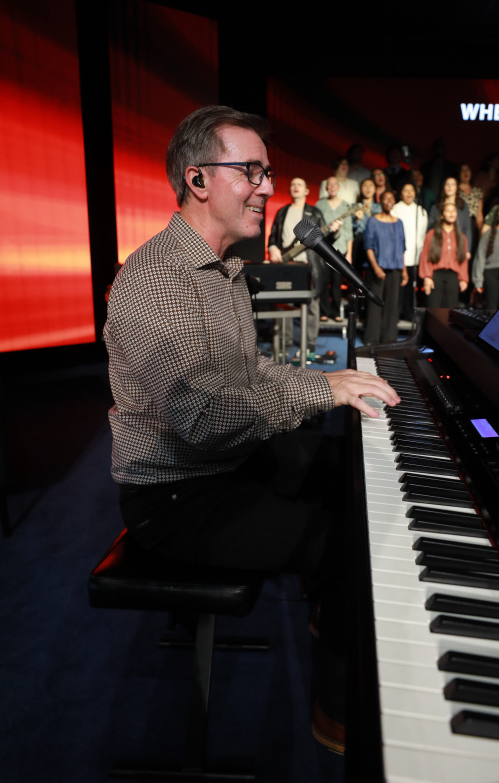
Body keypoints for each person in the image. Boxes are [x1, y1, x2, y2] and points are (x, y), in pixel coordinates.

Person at [103, 106, 400, 755]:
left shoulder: (226, 270)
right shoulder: (157, 281)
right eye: (251, 172)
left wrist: (326, 377)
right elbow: (203, 418)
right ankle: (339, 713)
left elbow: (250, 371)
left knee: (349, 475)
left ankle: (331, 614)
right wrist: (320, 390)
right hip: (175, 495)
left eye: (267, 172)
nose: (267, 187)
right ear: (198, 179)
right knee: (347, 543)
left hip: (225, 464)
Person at [268, 177, 338, 356]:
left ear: (307, 191)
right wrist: (273, 247)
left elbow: (324, 242)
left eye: (300, 184)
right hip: (286, 265)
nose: (295, 187)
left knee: (312, 305)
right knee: (284, 304)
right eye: (293, 184)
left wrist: (335, 233)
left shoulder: (314, 213)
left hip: (309, 265)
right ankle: (283, 346)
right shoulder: (282, 212)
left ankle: (309, 347)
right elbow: (273, 236)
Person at [363, 190, 409, 344]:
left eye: (391, 198)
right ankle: (372, 338)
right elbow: (368, 246)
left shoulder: (399, 223)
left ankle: (389, 338)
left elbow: (402, 248)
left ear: (394, 201)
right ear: (380, 201)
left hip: (395, 268)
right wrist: (376, 267)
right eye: (385, 198)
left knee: (392, 305)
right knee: (374, 304)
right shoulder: (372, 221)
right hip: (377, 268)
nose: (389, 201)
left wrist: (404, 271)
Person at [316, 176, 354, 321]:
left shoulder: (345, 205)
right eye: (329, 185)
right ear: (326, 188)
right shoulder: (320, 204)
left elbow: (349, 231)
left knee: (337, 283)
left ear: (338, 187)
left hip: (340, 249)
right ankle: (324, 312)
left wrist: (349, 253)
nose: (332, 187)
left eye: (334, 185)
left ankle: (336, 312)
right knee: (324, 282)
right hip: (324, 249)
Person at [419, 203, 469, 307]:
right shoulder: (432, 234)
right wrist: (427, 277)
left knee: (450, 310)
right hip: (436, 275)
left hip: (452, 277)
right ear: (442, 215)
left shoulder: (461, 237)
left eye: (453, 211)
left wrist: (463, 279)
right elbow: (425, 256)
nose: (451, 213)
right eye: (448, 211)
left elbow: (463, 260)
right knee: (434, 309)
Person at [391, 181, 428, 322]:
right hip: (398, 255)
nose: (409, 193)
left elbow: (423, 234)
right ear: (401, 193)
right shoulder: (395, 209)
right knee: (399, 287)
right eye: (405, 190)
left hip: (415, 256)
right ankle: (396, 314)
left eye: (411, 190)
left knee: (411, 288)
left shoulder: (421, 210)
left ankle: (408, 313)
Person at [427, 176, 473, 256]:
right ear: (443, 187)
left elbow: (467, 228)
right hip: (440, 247)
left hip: (458, 246)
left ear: (456, 188)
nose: (449, 187)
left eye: (452, 184)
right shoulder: (436, 208)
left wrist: (467, 249)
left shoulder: (463, 206)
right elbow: (429, 229)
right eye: (447, 184)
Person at [352, 177, 381, 273]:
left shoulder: (379, 207)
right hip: (359, 240)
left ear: (375, 189)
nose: (368, 188)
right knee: (357, 271)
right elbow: (352, 228)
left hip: (375, 240)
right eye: (365, 186)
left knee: (372, 271)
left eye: (371, 186)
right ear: (361, 189)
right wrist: (358, 220)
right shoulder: (355, 206)